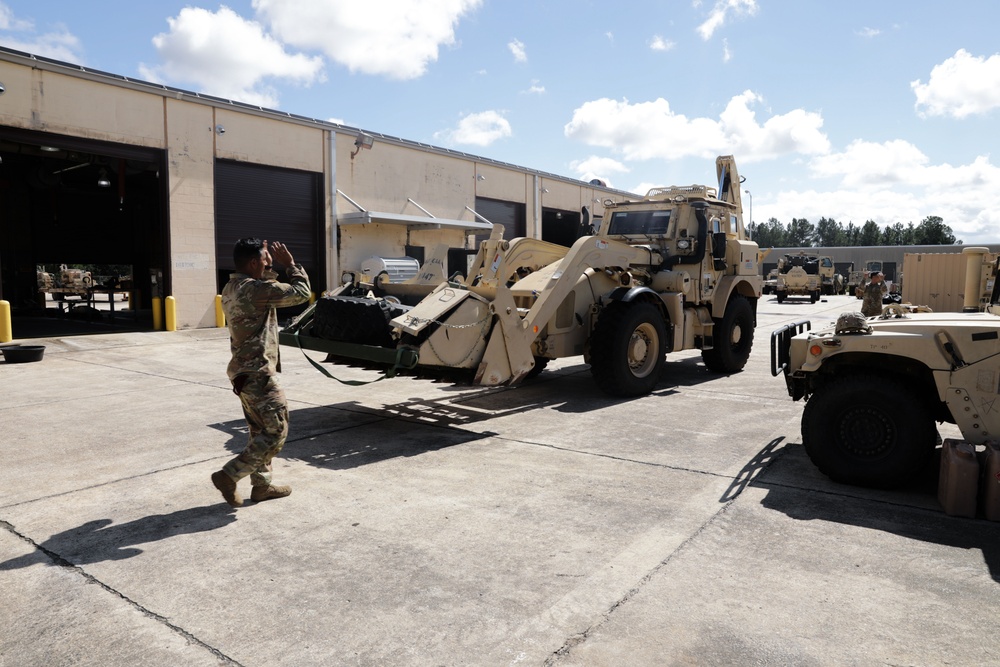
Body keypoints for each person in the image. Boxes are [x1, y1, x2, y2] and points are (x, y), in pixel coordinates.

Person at [211, 238, 311, 507]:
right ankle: (230, 475)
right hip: (258, 374)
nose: (270, 262)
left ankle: (262, 487)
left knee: (259, 432)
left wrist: (264, 259)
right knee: (277, 431)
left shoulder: (233, 287)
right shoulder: (256, 290)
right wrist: (290, 265)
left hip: (242, 373)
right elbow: (301, 293)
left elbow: (262, 282)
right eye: (265, 259)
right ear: (254, 263)